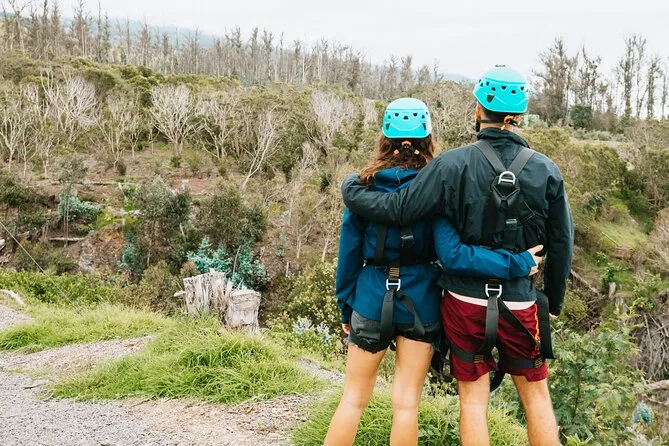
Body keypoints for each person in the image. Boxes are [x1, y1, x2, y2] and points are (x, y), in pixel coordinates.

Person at [340, 67, 574, 446]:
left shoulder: (452, 165)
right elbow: (562, 241)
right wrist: (553, 301)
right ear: (522, 112)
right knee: (537, 399)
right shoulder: (547, 170)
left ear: (479, 108)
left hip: (464, 300)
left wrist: (352, 190)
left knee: (473, 403)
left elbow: (400, 208)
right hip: (520, 298)